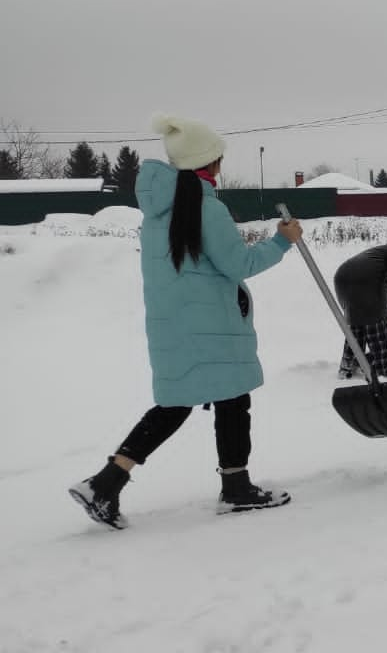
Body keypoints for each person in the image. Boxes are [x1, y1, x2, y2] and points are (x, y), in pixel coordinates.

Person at [69, 115, 303, 530]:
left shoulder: (158, 213)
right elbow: (238, 264)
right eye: (218, 159)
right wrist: (282, 241)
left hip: (175, 325)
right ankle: (235, 488)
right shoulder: (204, 207)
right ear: (207, 162)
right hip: (210, 325)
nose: (220, 167)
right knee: (231, 400)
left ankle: (107, 482)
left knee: (178, 404)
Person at [332, 238, 387, 380]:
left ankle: (347, 368)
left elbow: (378, 299)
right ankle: (381, 373)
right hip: (361, 283)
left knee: (357, 327)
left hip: (342, 280)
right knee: (376, 329)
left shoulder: (376, 260)